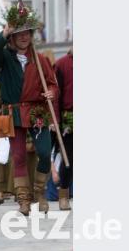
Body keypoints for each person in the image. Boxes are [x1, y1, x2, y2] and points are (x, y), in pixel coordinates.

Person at [0, 3, 58, 216]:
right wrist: (4, 31)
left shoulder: (41, 59)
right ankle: (24, 200)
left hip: (37, 113)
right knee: (18, 157)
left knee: (44, 153)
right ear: (12, 37)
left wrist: (52, 93)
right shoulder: (3, 58)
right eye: (19, 33)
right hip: (13, 112)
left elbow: (52, 83)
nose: (24, 36)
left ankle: (39, 191)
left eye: (27, 32)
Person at [54, 48, 72, 211]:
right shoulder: (61, 64)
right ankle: (63, 196)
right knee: (69, 159)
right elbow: (56, 95)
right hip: (70, 117)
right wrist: (56, 121)